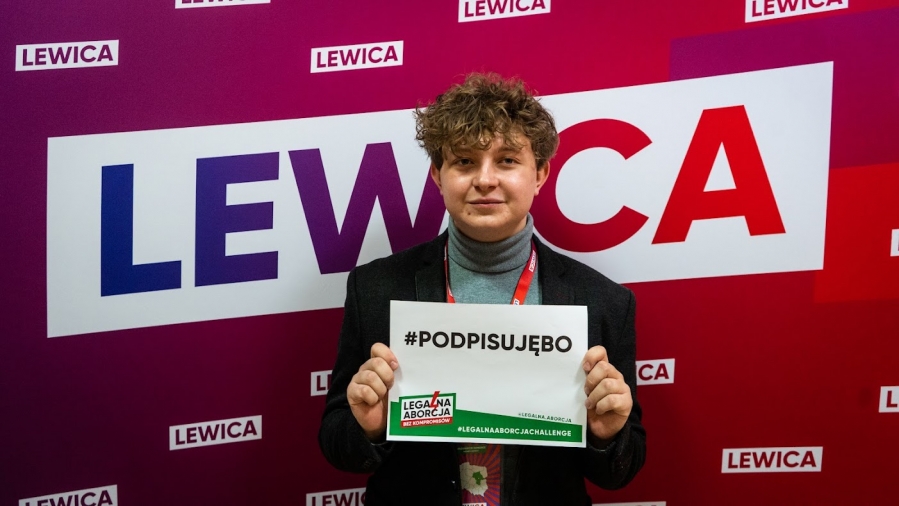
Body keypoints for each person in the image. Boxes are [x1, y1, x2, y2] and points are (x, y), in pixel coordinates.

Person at [318, 73, 645, 506]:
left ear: (540, 173)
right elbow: (337, 442)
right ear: (438, 175)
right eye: (465, 162)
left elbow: (621, 469)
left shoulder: (604, 301)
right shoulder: (375, 288)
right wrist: (370, 427)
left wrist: (607, 434)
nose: (485, 179)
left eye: (507, 160)